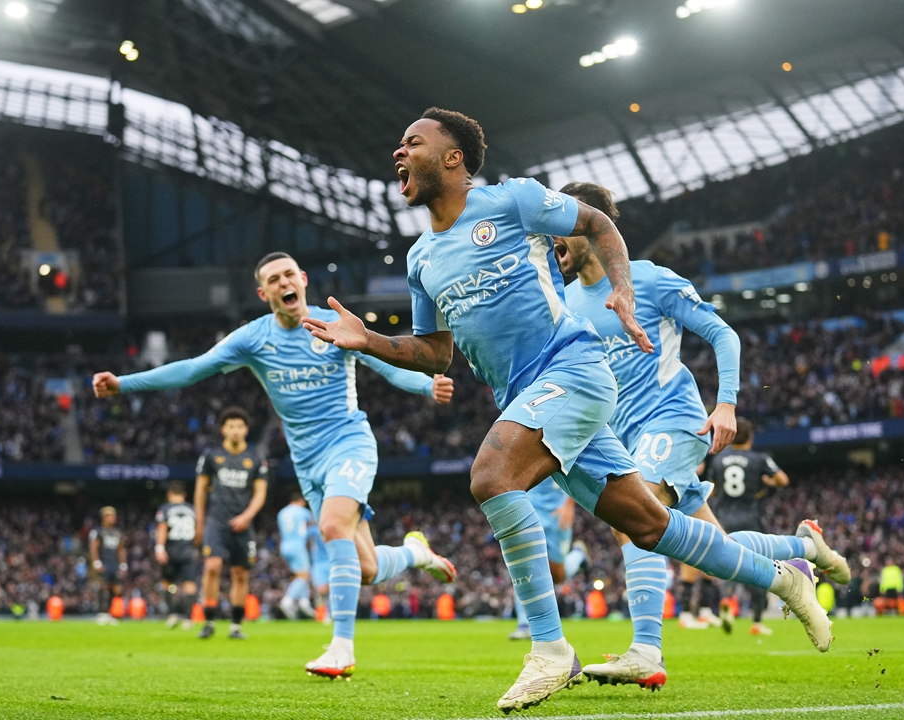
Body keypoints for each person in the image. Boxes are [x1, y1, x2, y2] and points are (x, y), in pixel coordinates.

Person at [302, 107, 833, 712]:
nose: (399, 152)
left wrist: (623, 295)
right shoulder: (421, 259)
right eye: (398, 144)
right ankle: (784, 577)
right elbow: (434, 352)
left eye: (412, 142)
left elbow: (599, 223)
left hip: (573, 372)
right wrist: (367, 339)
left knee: (492, 476)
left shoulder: (511, 202)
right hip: (530, 398)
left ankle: (550, 650)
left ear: (453, 158)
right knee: (648, 526)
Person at [92, 252, 458, 676]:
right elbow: (194, 369)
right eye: (273, 279)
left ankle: (341, 648)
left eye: (289, 274)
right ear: (264, 293)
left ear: (302, 279)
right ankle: (416, 553)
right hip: (307, 462)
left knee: (334, 526)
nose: (284, 282)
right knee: (368, 569)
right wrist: (123, 383)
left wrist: (426, 385)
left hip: (349, 444)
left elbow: (386, 366)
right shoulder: (253, 338)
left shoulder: (333, 323)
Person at [552, 181, 850, 688]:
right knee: (712, 549)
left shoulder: (647, 280)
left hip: (673, 418)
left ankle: (646, 650)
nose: (551, 234)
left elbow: (722, 333)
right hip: (625, 437)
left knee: (634, 515)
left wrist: (727, 403)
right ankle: (802, 550)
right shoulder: (563, 302)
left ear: (589, 225)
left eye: (561, 224)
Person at [707, 418, 824, 634]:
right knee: (758, 564)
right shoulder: (759, 459)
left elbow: (712, 490)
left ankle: (726, 598)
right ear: (750, 437)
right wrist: (765, 483)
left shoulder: (718, 461)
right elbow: (782, 479)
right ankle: (757, 622)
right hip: (750, 518)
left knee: (728, 563)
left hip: (724, 518)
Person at [193, 407, 268, 640]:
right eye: (231, 426)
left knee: (240, 574)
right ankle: (209, 621)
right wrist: (200, 520)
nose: (235, 431)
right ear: (224, 429)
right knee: (212, 566)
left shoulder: (256, 458)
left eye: (239, 427)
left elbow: (260, 493)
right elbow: (200, 490)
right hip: (216, 521)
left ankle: (236, 625)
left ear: (245, 430)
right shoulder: (211, 456)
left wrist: (247, 516)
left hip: (243, 523)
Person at [508, 478, 587, 641]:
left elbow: (576, 471)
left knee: (558, 577)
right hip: (530, 508)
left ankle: (579, 555)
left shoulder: (563, 450)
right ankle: (524, 624)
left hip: (557, 513)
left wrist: (569, 504)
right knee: (524, 565)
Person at [154, 481, 198, 630]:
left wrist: (160, 547)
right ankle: (188, 618)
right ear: (184, 495)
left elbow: (162, 528)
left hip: (172, 550)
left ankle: (173, 614)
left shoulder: (166, 509)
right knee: (189, 585)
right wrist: (196, 547)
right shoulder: (192, 509)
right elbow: (199, 530)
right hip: (188, 550)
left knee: (168, 584)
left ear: (169, 494)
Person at [278, 488, 316, 619]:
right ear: (299, 501)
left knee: (299, 575)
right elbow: (314, 521)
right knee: (304, 575)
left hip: (284, 545)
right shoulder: (302, 511)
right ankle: (287, 601)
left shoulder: (281, 513)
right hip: (297, 546)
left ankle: (304, 602)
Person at [89, 506, 126, 626]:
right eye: (109, 516)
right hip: (104, 562)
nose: (112, 518)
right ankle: (102, 613)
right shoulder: (98, 532)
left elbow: (121, 549)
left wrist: (123, 564)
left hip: (114, 563)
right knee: (103, 587)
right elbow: (94, 547)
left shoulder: (117, 533)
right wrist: (96, 562)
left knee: (115, 589)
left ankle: (109, 613)